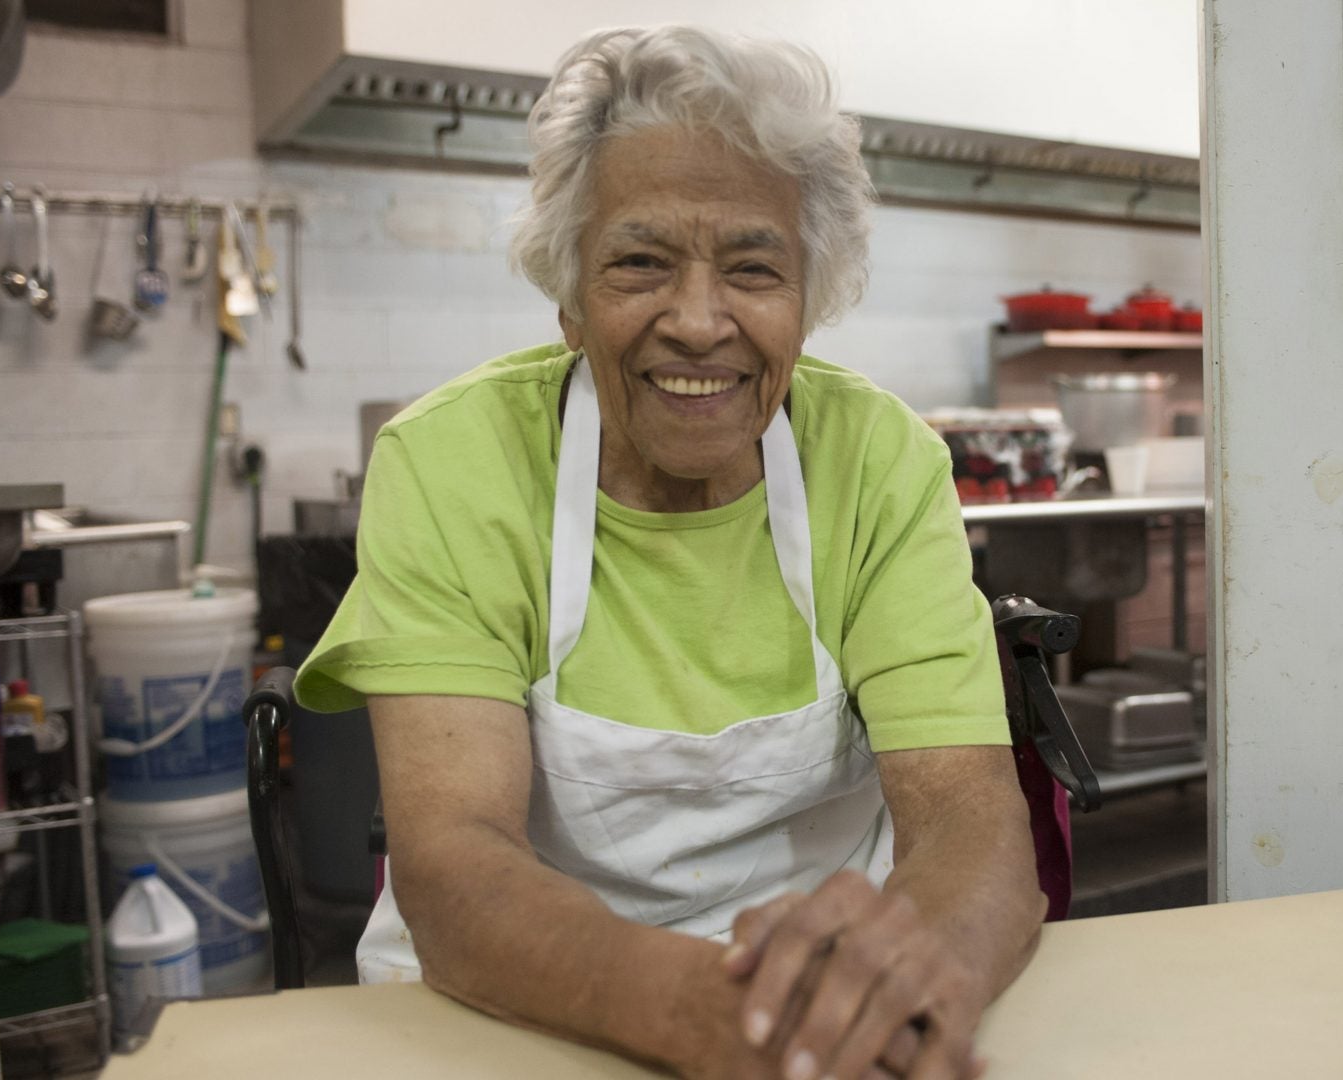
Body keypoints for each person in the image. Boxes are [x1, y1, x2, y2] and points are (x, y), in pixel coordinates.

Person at [296, 25, 1044, 1080]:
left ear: (807, 298)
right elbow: (454, 860)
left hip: (830, 1033)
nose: (699, 322)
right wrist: (708, 1016)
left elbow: (970, 822)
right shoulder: (451, 463)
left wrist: (913, 988)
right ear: (568, 295)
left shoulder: (881, 465)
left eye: (753, 267)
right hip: (518, 1019)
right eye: (640, 262)